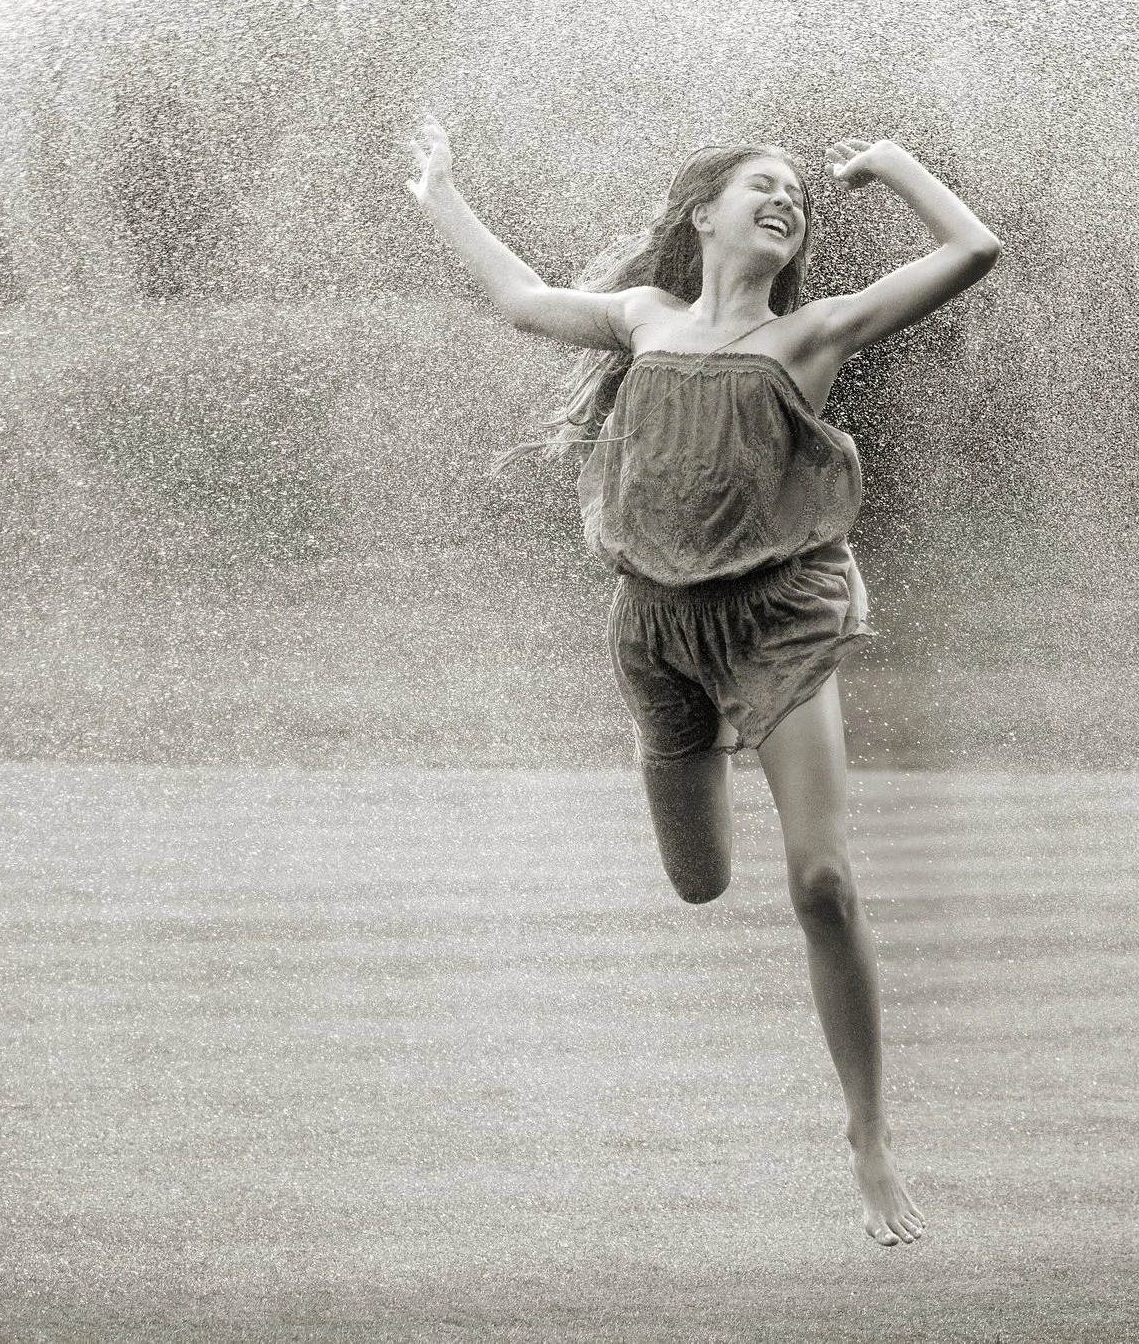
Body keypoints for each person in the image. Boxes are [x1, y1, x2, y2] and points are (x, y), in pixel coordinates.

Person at [405, 117, 1000, 1247]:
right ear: (701, 215)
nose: (785, 199)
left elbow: (972, 251)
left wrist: (892, 166)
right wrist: (439, 191)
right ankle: (701, 747)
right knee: (696, 882)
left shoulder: (814, 334)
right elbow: (524, 299)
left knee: (821, 881)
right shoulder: (643, 319)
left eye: (797, 196)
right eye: (760, 186)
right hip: (656, 631)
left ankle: (868, 1134)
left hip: (782, 622)